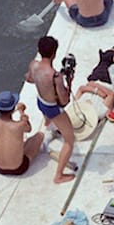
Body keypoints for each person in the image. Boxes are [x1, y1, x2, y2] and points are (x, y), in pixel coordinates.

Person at [26, 36, 78, 183]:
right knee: (69, 140)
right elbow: (64, 101)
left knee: (48, 115)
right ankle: (59, 175)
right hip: (52, 109)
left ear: (39, 51)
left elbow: (29, 79)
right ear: (54, 53)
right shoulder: (55, 76)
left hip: (40, 102)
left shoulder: (33, 65)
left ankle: (49, 124)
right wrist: (69, 83)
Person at [0, 90, 44, 177]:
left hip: (0, 169)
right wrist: (22, 112)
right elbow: (29, 129)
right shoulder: (19, 125)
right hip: (19, 169)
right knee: (40, 136)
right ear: (13, 108)